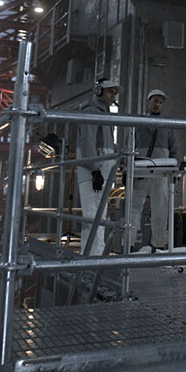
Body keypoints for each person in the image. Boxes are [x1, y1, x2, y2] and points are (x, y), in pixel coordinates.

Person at [127, 88, 178, 251]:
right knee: (133, 207)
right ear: (148, 102)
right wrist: (128, 168)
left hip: (162, 171)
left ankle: (158, 245)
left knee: (161, 208)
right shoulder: (138, 123)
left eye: (161, 102)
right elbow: (130, 145)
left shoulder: (168, 125)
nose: (158, 104)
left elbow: (174, 148)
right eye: (155, 101)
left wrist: (174, 170)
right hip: (141, 169)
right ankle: (128, 244)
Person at [75, 76, 120, 255]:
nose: (113, 94)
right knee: (94, 217)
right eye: (110, 91)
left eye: (115, 92)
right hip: (94, 173)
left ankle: (92, 258)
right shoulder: (91, 111)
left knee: (98, 216)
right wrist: (94, 170)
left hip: (102, 171)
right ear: (98, 91)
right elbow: (88, 142)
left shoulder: (104, 114)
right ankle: (95, 260)